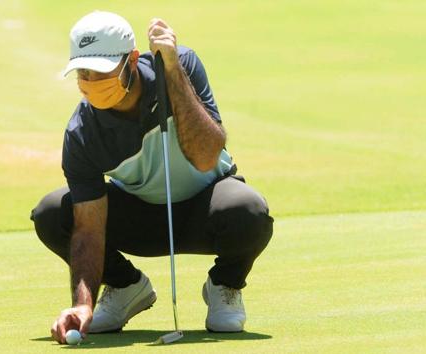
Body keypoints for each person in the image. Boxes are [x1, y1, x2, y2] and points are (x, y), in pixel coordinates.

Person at [31, 11, 274, 344]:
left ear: (132, 60)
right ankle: (125, 287)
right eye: (82, 73)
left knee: (248, 210)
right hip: (140, 215)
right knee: (53, 212)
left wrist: (172, 72)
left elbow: (206, 158)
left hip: (205, 207)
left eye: (101, 71)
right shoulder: (82, 132)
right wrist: (82, 304)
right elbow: (89, 228)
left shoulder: (180, 66)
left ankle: (225, 285)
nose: (90, 82)